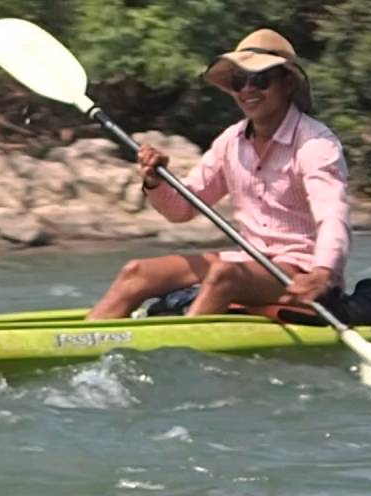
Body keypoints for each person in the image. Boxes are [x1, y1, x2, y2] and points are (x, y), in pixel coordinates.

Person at [88, 28, 352, 319]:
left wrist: (323, 272)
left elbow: (333, 216)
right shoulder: (231, 141)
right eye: (239, 81)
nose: (248, 90)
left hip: (300, 270)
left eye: (260, 80)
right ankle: (82, 348)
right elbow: (182, 209)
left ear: (287, 83)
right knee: (135, 272)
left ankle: (178, 352)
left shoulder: (316, 143)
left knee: (224, 273)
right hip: (248, 262)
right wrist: (154, 180)